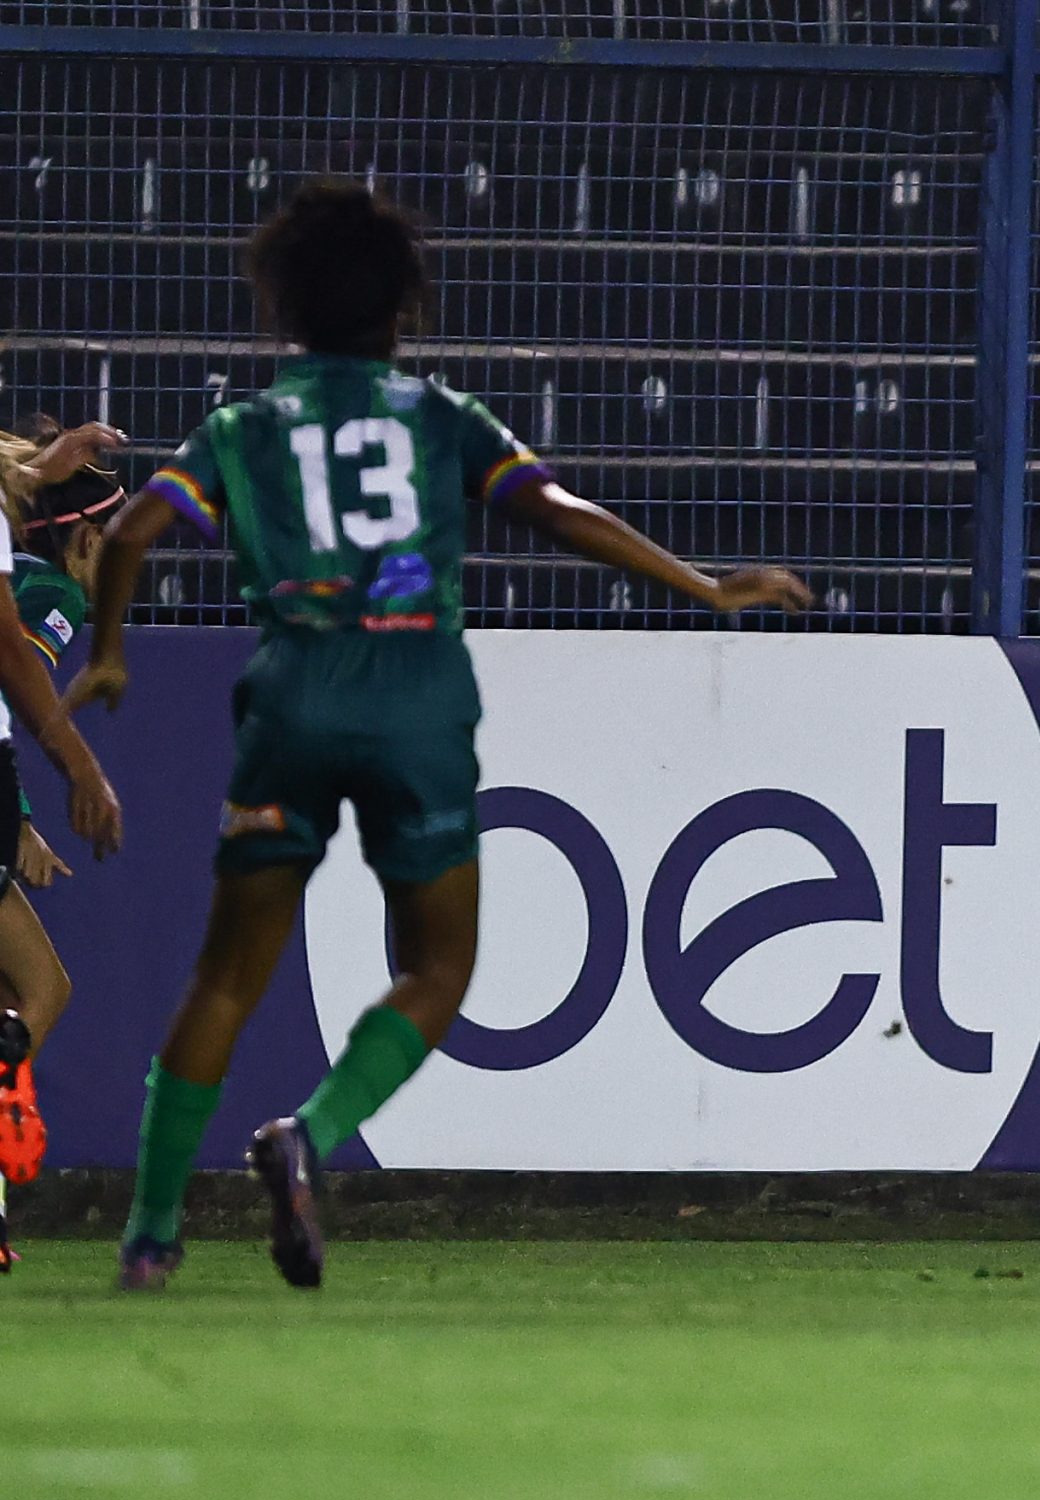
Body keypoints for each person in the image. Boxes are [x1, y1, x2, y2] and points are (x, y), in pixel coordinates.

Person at [71, 182, 811, 1292]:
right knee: (438, 964)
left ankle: (151, 1234)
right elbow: (561, 513)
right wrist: (702, 586)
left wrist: (113, 650)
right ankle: (308, 1136)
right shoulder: (441, 419)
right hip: (416, 702)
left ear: (287, 315)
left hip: (292, 696)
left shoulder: (238, 430)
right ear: (402, 312)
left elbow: (129, 530)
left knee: (225, 978)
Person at [0, 420, 130, 1269]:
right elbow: (10, 666)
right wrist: (21, 818)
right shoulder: (57, 597)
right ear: (89, 540)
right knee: (42, 992)